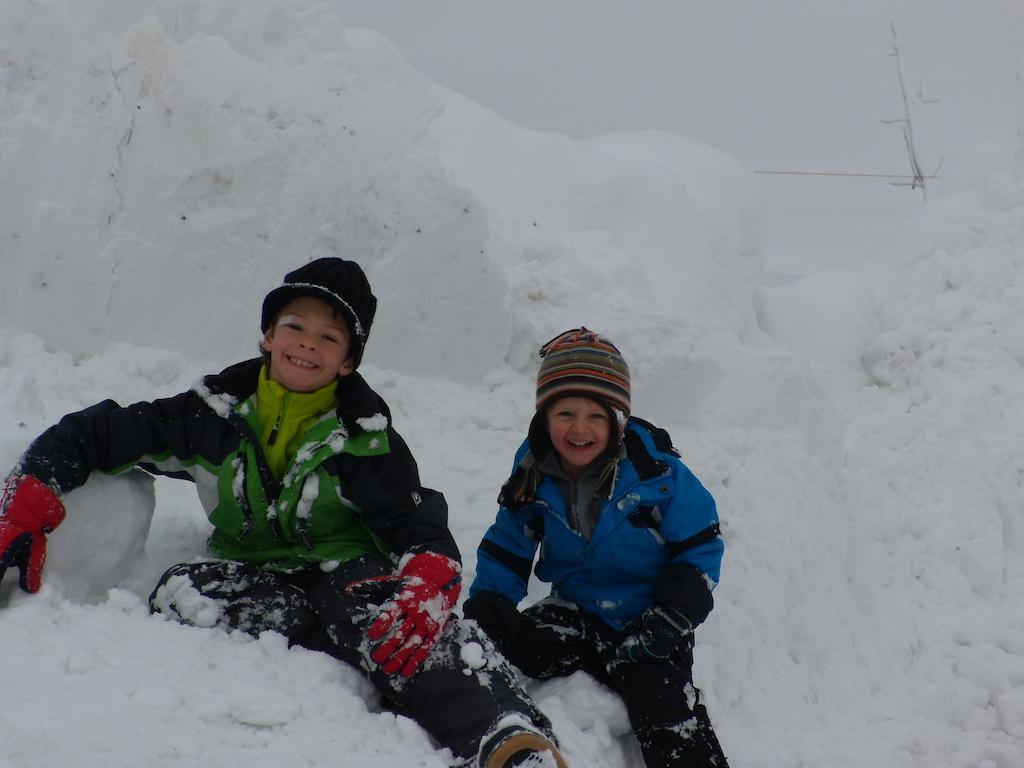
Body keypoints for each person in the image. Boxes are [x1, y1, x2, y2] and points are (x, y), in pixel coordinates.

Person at [0, 258, 566, 768]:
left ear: (348, 361)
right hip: (255, 575)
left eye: (329, 336)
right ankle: (356, 650)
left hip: (346, 568)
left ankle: (505, 738)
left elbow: (419, 525)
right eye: (294, 326)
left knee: (392, 626)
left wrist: (429, 576)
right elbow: (96, 433)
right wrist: (30, 495)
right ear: (268, 335)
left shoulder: (364, 441)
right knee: (183, 593)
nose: (306, 344)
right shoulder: (210, 417)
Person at [464, 327, 729, 768]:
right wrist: (491, 606)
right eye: (565, 413)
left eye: (596, 416)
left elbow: (700, 545)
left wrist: (671, 616)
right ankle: (513, 738)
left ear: (618, 421)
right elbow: (510, 544)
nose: (579, 428)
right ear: (544, 419)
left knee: (656, 691)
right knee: (511, 645)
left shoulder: (655, 473)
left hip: (649, 616)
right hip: (576, 608)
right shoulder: (532, 471)